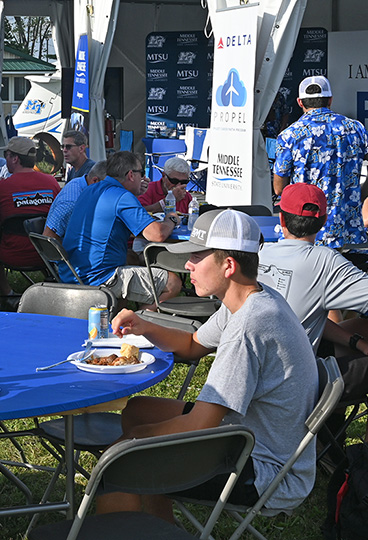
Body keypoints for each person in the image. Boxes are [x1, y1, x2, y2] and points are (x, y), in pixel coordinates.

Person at [102, 209, 318, 519]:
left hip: (264, 470)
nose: (188, 265)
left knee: (120, 460)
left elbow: (198, 425)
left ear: (228, 266)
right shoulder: (252, 297)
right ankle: (158, 527)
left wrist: (132, 442)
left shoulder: (248, 327)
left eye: (197, 256)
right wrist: (144, 325)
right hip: (252, 435)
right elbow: (192, 345)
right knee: (138, 411)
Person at [258, 182, 368, 443]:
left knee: (361, 329)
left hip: (261, 371)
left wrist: (360, 344)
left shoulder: (261, 253)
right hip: (294, 382)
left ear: (281, 217)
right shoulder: (326, 261)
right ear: (324, 221)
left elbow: (301, 318)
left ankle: (329, 437)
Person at [272, 76, 368, 249]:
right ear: (330, 100)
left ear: (299, 102)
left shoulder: (289, 135)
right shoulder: (354, 127)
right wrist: (358, 195)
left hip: (307, 227)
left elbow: (279, 188)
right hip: (347, 228)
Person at [61, 150, 182, 304]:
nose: (144, 178)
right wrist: (171, 219)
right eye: (141, 173)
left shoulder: (91, 189)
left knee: (131, 257)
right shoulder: (122, 197)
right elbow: (157, 235)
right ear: (131, 175)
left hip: (72, 272)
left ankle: (117, 315)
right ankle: (137, 323)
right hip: (99, 278)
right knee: (172, 283)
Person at [0, 136, 60, 301]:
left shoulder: (2, 186)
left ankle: (8, 293)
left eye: (7, 155)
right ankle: (51, 279)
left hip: (12, 252)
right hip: (45, 252)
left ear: (15, 158)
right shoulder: (51, 182)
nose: (4, 159)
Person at [44, 161, 107, 240]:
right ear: (95, 181)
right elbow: (49, 238)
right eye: (108, 188)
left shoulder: (80, 182)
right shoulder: (72, 202)